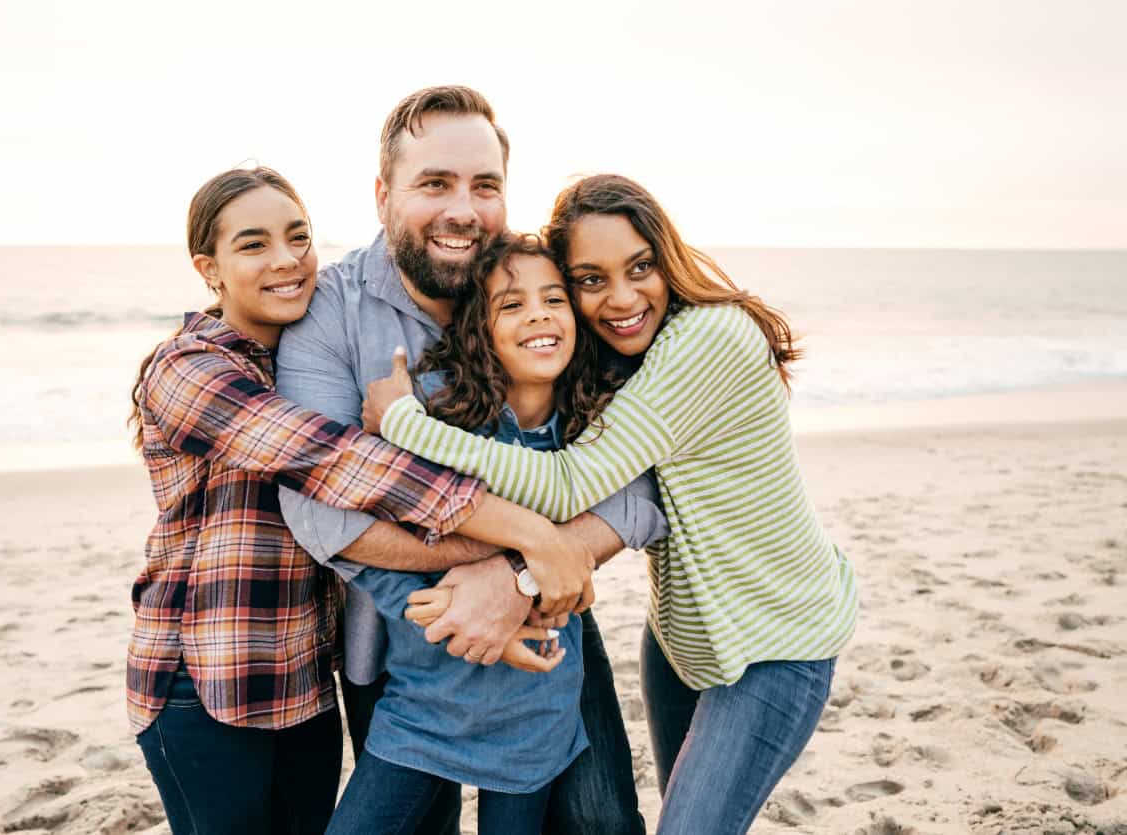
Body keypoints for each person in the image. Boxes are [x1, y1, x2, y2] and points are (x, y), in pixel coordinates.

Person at [365, 173, 860, 835]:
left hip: (777, 641)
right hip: (682, 642)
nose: (622, 297)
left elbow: (570, 484)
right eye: (591, 280)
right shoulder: (630, 353)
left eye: (640, 267)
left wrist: (405, 422)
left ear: (668, 258)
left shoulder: (706, 339)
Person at [127, 167, 596, 834]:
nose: (287, 259)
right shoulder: (189, 370)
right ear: (211, 268)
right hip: (207, 681)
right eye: (253, 245)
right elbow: (337, 461)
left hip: (306, 679)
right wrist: (533, 535)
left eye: (298, 236)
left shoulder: (297, 352)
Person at [277, 88, 665, 835]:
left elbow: (640, 482)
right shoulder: (333, 309)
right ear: (384, 193)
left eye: (484, 185)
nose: (464, 208)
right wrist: (526, 540)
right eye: (435, 183)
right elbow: (318, 505)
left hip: (546, 630)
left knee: (603, 823)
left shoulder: (539, 283)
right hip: (402, 645)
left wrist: (519, 576)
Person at [330, 232, 664, 835]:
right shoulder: (442, 422)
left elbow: (632, 511)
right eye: (510, 305)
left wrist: (524, 594)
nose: (536, 313)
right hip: (425, 706)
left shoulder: (594, 436)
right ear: (478, 330)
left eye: (553, 298)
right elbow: (370, 547)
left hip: (535, 711)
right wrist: (445, 615)